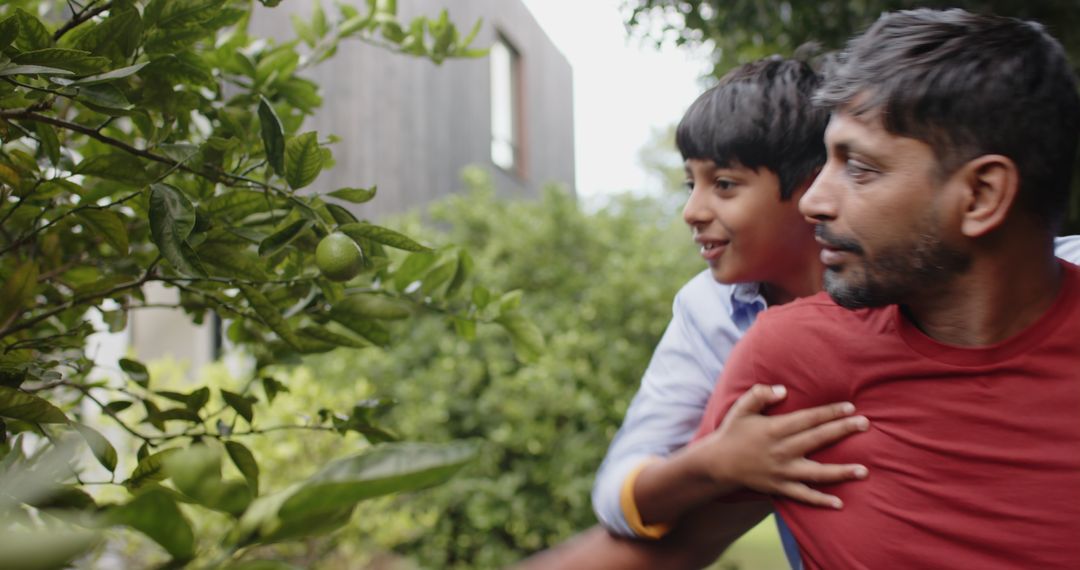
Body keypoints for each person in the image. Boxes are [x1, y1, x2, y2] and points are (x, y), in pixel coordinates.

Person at [638, 8, 1080, 568]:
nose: (813, 202)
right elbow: (666, 537)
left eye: (861, 168)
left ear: (981, 196)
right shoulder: (787, 355)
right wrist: (704, 466)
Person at [516, 57, 873, 569]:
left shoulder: (893, 285)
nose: (692, 210)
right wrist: (719, 461)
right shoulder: (711, 312)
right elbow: (619, 491)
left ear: (814, 187)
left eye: (724, 184)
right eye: (691, 184)